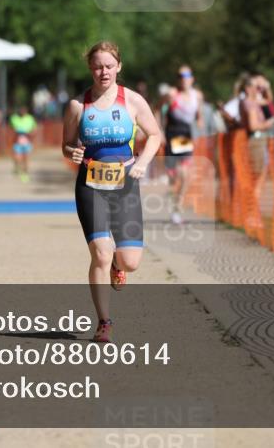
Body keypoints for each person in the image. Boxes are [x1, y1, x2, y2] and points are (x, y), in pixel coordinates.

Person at [62, 41, 162, 343]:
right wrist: (72, 152)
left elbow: (155, 135)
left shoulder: (132, 101)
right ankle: (104, 321)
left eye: (108, 65)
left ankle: (120, 266)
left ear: (118, 66)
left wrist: (143, 162)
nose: (102, 71)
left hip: (125, 186)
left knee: (129, 261)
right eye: (97, 66)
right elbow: (66, 145)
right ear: (89, 68)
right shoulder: (78, 106)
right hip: (90, 186)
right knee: (101, 254)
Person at [164, 65, 205, 224]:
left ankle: (177, 209)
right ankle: (174, 197)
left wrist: (200, 120)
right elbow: (158, 108)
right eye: (180, 76)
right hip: (171, 133)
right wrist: (158, 130)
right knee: (173, 177)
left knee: (184, 173)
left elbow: (199, 113)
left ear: (192, 78)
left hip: (184, 134)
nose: (184, 78)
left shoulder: (198, 95)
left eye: (187, 75)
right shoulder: (172, 94)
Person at [240, 74, 274, 210]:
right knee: (256, 178)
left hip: (257, 140)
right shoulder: (249, 103)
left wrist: (267, 86)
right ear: (248, 88)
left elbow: (268, 100)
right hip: (255, 140)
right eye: (257, 87)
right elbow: (253, 126)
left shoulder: (251, 101)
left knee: (258, 178)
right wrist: (267, 123)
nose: (259, 90)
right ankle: (252, 212)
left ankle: (251, 211)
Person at [9, 104, 38, 182]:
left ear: (26, 111)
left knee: (26, 159)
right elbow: (11, 128)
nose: (22, 111)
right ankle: (17, 167)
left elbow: (35, 129)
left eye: (24, 110)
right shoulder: (14, 118)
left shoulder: (30, 118)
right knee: (17, 158)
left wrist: (31, 134)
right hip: (17, 142)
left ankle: (25, 174)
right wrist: (15, 132)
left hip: (27, 142)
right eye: (21, 110)